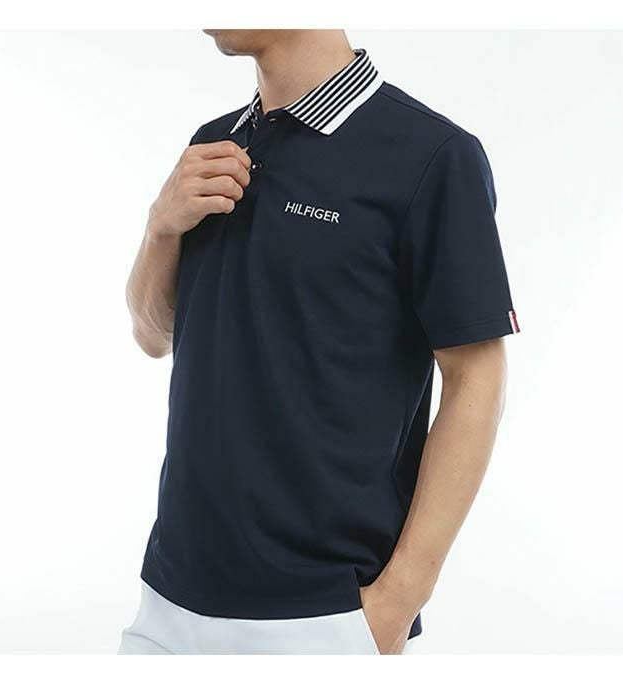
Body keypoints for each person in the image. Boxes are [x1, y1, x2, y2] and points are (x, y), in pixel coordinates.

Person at [119, 28, 519, 655]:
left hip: (321, 616)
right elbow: (154, 335)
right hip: (167, 600)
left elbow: (478, 376)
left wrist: (397, 602)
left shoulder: (433, 155)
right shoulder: (213, 144)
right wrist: (160, 228)